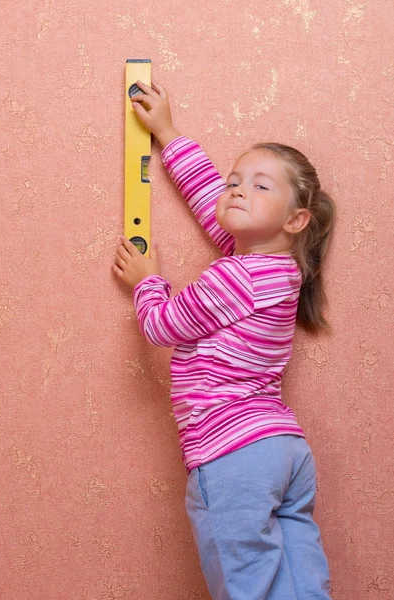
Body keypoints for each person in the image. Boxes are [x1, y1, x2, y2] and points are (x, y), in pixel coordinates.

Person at [113, 80, 335, 600]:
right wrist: (168, 133)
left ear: (296, 219)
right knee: (301, 585)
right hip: (284, 451)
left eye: (260, 186)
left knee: (247, 587)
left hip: (232, 454)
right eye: (235, 181)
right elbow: (211, 202)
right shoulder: (279, 271)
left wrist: (147, 280)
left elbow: (161, 325)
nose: (236, 190)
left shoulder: (233, 278)